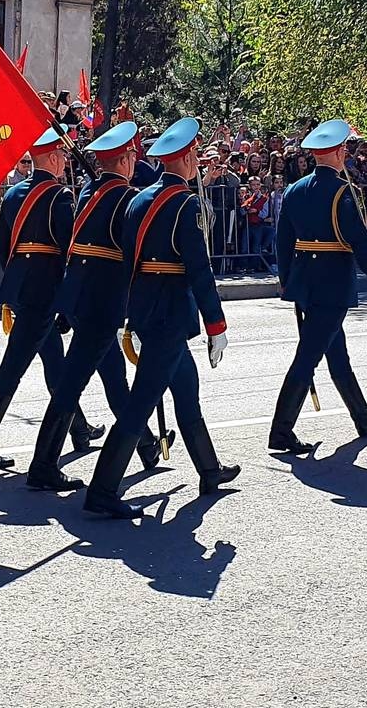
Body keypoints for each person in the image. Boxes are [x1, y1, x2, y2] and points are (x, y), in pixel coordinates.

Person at [84, 118, 239, 519]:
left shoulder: (137, 200)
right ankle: (102, 491)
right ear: (187, 158)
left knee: (187, 391)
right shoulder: (185, 204)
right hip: (171, 314)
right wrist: (216, 324)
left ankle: (209, 469)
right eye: (195, 157)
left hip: (147, 309)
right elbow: (199, 268)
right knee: (140, 404)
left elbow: (129, 260)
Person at [23, 121, 162, 491]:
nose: (136, 160)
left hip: (82, 295)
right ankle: (43, 465)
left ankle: (146, 445)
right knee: (72, 383)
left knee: (113, 376)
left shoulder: (89, 191)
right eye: (133, 155)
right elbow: (134, 253)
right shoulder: (124, 198)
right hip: (104, 299)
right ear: (126, 159)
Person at [0, 126, 98, 468]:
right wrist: (69, 299)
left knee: (56, 363)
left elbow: (1, 249)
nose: (66, 161)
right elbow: (70, 252)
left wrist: (20, 281)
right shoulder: (59, 197)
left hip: (23, 291)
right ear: (53, 157)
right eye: (64, 156)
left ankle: (79, 429)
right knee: (12, 369)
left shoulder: (13, 195)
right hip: (46, 295)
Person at [267, 119, 367, 451]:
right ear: (340, 152)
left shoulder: (295, 190)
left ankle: (361, 413)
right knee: (308, 357)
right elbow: (361, 243)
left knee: (336, 352)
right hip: (332, 285)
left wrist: (287, 282)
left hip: (305, 284)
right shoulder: (344, 192)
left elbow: (283, 241)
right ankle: (281, 431)